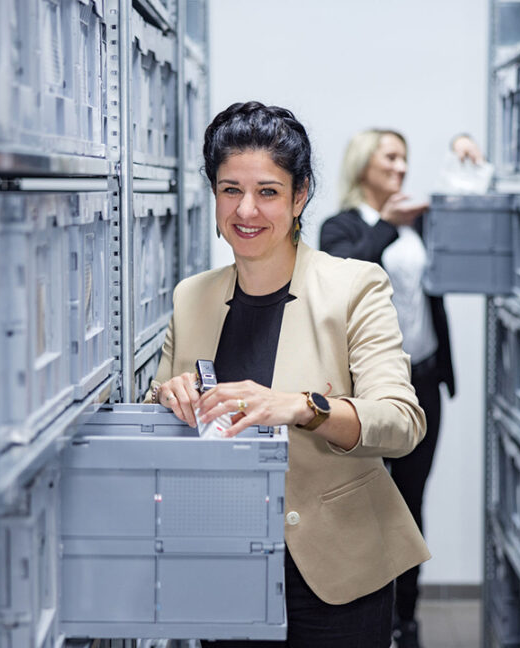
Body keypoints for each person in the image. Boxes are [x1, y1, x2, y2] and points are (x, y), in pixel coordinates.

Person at [144, 101, 430, 648]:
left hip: (336, 572)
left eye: (268, 192)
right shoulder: (192, 297)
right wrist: (166, 394)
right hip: (225, 564)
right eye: (230, 190)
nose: (246, 210)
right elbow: (163, 406)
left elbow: (401, 421)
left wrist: (303, 407)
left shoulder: (354, 286)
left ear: (300, 196)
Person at [319, 129, 460, 648]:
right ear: (363, 166)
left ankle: (407, 616)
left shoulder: (418, 220)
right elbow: (346, 273)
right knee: (364, 502)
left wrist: (463, 144)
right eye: (391, 158)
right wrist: (387, 225)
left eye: (405, 158)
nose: (401, 167)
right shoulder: (342, 227)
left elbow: (470, 209)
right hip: (365, 390)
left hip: (423, 378)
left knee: (411, 499)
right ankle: (366, 612)